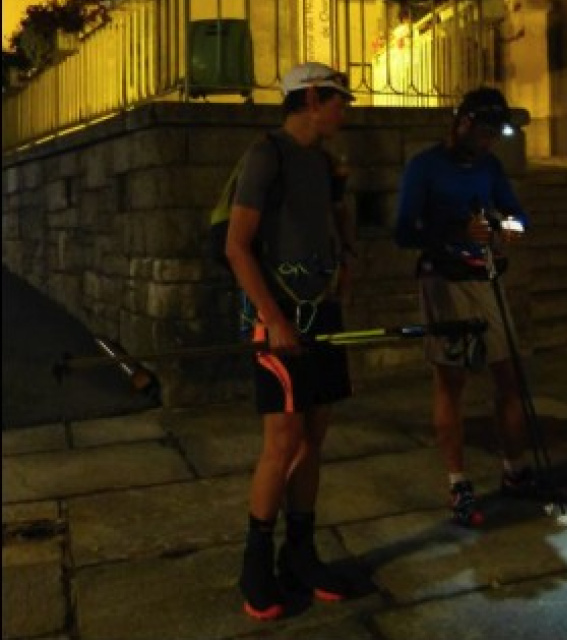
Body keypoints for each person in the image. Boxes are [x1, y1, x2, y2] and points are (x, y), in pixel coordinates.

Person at [225, 61, 357, 620]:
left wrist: (344, 261)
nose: (344, 109)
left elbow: (325, 223)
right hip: (278, 317)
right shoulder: (266, 154)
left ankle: (300, 553)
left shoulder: (323, 160)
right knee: (282, 438)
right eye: (337, 100)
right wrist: (273, 319)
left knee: (316, 433)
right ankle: (255, 566)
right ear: (309, 99)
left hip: (322, 311)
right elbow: (237, 245)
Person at [394, 86, 538, 527]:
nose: (491, 143)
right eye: (486, 132)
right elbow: (403, 231)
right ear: (463, 124)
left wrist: (499, 226)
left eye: (498, 135)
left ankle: (514, 468)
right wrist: (456, 228)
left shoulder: (490, 166)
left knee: (508, 375)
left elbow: (519, 217)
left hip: (485, 275)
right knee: (451, 381)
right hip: (444, 277)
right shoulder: (425, 166)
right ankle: (458, 482)